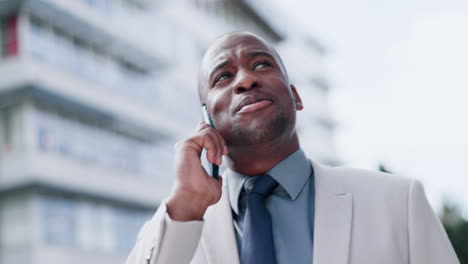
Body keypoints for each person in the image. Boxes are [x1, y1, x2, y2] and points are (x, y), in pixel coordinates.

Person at [125, 32, 459, 264]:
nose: (245, 80)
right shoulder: (176, 225)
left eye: (261, 65)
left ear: (296, 96)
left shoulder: (399, 201)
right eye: (223, 78)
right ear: (206, 118)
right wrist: (184, 208)